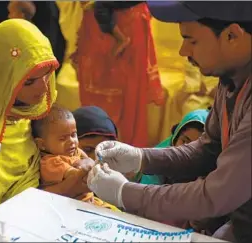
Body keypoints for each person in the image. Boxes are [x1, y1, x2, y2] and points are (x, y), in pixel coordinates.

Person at [86, 2, 252, 242]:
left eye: (191, 40)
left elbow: (215, 195)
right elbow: (207, 149)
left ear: (232, 35)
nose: (183, 51)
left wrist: (125, 193)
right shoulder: (232, 79)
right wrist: (142, 158)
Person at [0, 19, 60, 212]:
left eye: (47, 75)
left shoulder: (34, 113)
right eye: (29, 82)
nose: (43, 88)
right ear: (2, 78)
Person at [71, 1, 164, 148]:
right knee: (96, 92)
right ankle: (95, 149)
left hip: (125, 19)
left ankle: (124, 157)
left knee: (128, 96)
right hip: (98, 22)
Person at [31, 105, 119, 211]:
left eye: (73, 135)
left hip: (90, 201)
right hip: (72, 207)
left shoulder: (74, 150)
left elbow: (91, 161)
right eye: (63, 138)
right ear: (42, 144)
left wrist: (89, 161)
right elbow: (78, 176)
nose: (71, 141)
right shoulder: (52, 162)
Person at [73, 106, 162, 185]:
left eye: (104, 151)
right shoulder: (61, 173)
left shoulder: (120, 180)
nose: (96, 158)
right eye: (88, 150)